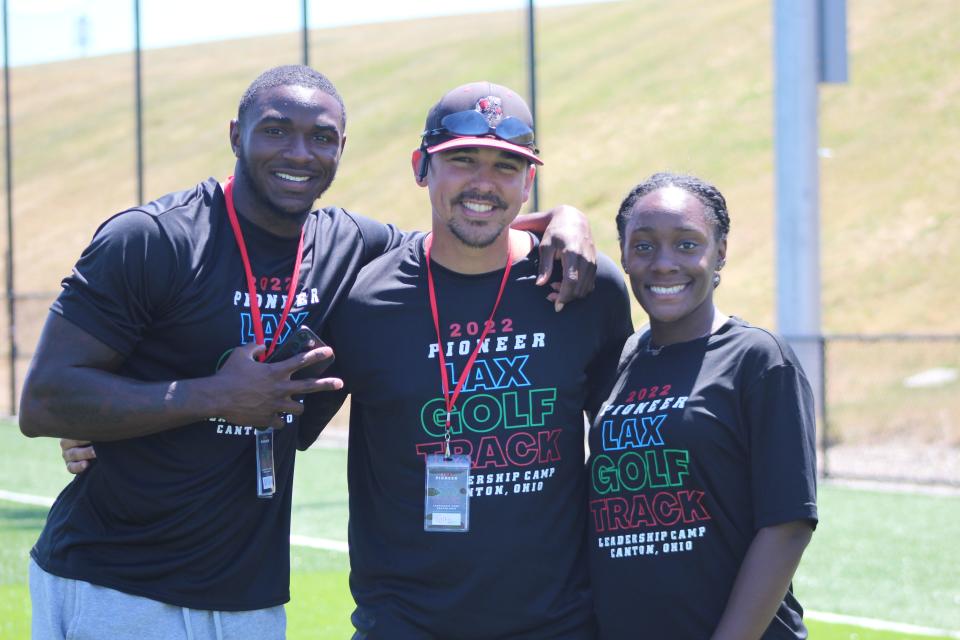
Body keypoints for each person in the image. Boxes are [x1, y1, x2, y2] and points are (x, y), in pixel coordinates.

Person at [19, 65, 597, 640]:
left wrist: (563, 218)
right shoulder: (153, 238)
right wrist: (212, 397)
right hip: (115, 579)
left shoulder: (353, 248)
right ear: (235, 136)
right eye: (275, 130)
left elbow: (464, 225)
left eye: (320, 137)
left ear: (340, 149)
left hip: (250, 596)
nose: (299, 153)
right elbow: (45, 402)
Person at [301, 81, 634, 639]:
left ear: (530, 181)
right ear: (421, 167)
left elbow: (626, 445)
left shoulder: (583, 286)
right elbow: (278, 429)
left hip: (557, 624)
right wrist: (103, 437)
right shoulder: (365, 300)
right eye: (461, 160)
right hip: (405, 624)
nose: (483, 183)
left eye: (507, 166)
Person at [587, 172, 818, 639]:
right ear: (625, 256)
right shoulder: (619, 362)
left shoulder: (757, 359)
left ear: (721, 252)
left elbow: (788, 523)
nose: (664, 264)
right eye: (645, 246)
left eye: (687, 244)